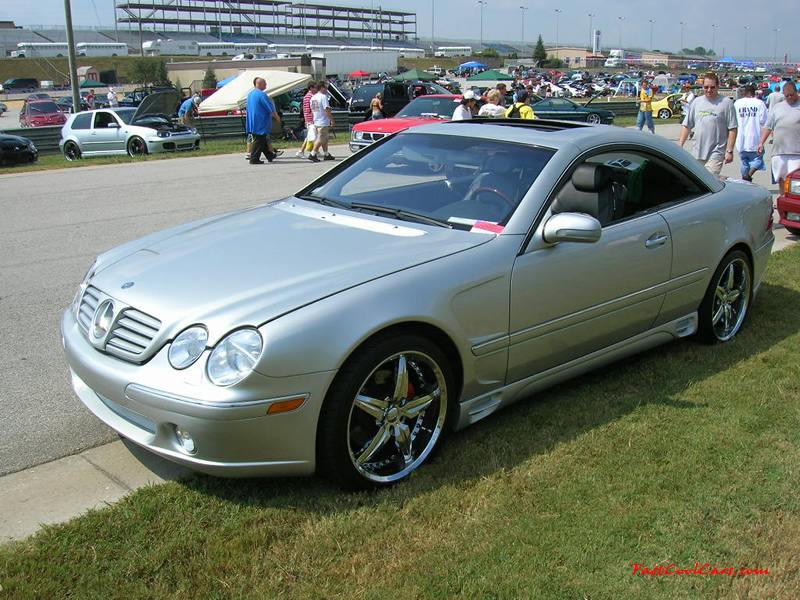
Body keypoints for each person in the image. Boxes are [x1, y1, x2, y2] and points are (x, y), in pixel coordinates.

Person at [678, 73, 737, 176]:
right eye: (706, 87)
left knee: (710, 181)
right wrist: (680, 146)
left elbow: (733, 128)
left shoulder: (726, 103)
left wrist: (730, 151)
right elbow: (687, 125)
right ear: (703, 87)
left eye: (712, 87)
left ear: (718, 87)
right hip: (697, 152)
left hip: (716, 152)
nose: (709, 90)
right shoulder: (697, 102)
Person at [757, 81, 800, 191]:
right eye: (787, 96)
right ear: (783, 94)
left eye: (792, 95)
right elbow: (768, 126)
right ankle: (783, 199)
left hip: (796, 152)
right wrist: (761, 143)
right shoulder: (777, 108)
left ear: (797, 92)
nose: (790, 98)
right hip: (779, 151)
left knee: (795, 182)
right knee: (781, 178)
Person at [734, 84, 768, 181]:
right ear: (754, 92)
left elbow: (733, 120)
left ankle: (745, 179)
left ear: (744, 93)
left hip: (741, 138)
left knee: (744, 161)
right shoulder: (760, 103)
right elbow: (764, 121)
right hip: (755, 137)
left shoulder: (737, 103)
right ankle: (748, 175)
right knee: (758, 160)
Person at [246, 76, 280, 164]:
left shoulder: (250, 94)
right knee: (259, 139)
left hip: (253, 120)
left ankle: (270, 155)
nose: (266, 85)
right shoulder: (262, 95)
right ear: (259, 84)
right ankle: (254, 158)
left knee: (262, 138)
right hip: (261, 121)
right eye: (264, 83)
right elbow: (270, 108)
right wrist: (277, 117)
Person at [308, 80, 335, 162]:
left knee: (325, 138)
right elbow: (327, 109)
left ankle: (326, 154)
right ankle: (313, 154)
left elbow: (314, 110)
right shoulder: (323, 97)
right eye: (326, 87)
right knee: (321, 139)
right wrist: (332, 120)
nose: (327, 89)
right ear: (322, 88)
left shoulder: (313, 98)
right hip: (323, 121)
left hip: (317, 120)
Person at [296, 81, 317, 158]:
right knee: (311, 136)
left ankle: (315, 150)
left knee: (312, 135)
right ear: (311, 88)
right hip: (311, 119)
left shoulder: (307, 96)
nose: (316, 89)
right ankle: (302, 151)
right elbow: (312, 109)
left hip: (308, 118)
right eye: (315, 87)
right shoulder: (311, 96)